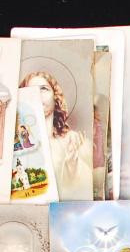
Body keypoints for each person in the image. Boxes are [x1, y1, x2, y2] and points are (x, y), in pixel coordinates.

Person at [19, 71, 93, 200]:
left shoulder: (72, 140)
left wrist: (73, 164)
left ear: (55, 96)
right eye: (31, 90)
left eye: (43, 89)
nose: (37, 94)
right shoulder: (16, 144)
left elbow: (88, 188)